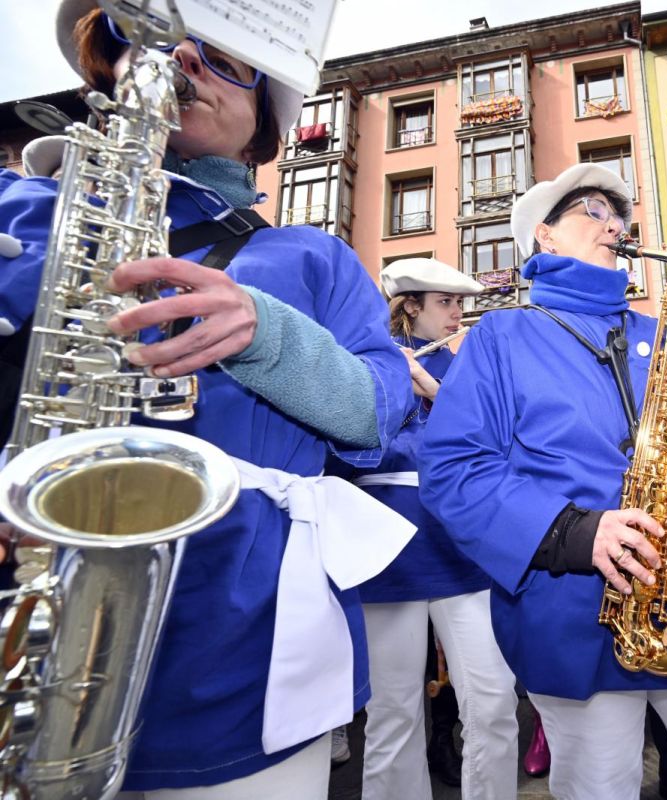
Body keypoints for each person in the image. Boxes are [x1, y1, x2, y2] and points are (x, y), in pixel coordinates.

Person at [0, 3, 416, 797]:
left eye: (227, 60)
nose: (186, 60)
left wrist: (268, 331)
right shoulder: (20, 209)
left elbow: (377, 410)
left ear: (264, 118)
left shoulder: (311, 255)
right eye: (162, 42)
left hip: (242, 635)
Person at [419, 163, 667, 799]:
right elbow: (454, 470)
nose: (615, 225)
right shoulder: (500, 335)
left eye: (618, 214)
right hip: (573, 606)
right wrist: (573, 532)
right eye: (591, 211)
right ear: (543, 237)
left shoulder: (659, 332)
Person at [342, 258, 520, 800]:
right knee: (393, 714)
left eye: (460, 303)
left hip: (461, 551)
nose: (457, 314)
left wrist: (436, 393)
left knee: (493, 702)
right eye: (446, 302)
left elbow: (499, 449)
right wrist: (392, 388)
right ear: (411, 305)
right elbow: (343, 451)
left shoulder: (468, 369)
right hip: (386, 552)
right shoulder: (362, 362)